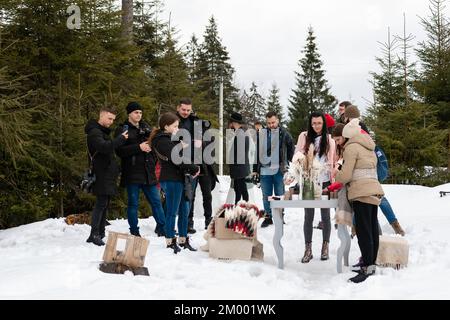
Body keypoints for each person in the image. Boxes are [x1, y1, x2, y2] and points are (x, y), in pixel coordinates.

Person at [335, 119, 385, 283]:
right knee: (371, 229)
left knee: (363, 232)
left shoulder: (351, 148)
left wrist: (337, 172)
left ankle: (367, 268)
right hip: (373, 189)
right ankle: (372, 264)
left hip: (360, 192)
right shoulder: (369, 146)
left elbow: (347, 175)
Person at [343, 105, 405, 236]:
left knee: (366, 198)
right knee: (375, 197)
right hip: (370, 167)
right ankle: (394, 224)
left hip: (364, 169)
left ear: (348, 116)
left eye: (344, 114)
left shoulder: (354, 128)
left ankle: (365, 229)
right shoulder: (362, 126)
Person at [150, 112, 200, 253]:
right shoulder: (161, 140)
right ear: (166, 126)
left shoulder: (171, 138)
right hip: (171, 178)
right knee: (172, 211)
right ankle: (170, 240)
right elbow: (175, 158)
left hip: (180, 177)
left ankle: (183, 239)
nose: (178, 128)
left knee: (185, 209)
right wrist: (193, 167)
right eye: (175, 126)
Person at [115, 102, 166, 238]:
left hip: (148, 172)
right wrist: (139, 147)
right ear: (129, 114)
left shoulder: (146, 127)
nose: (138, 115)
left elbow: (155, 144)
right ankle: (134, 230)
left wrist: (151, 149)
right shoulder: (123, 129)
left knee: (156, 202)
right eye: (136, 112)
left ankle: (162, 227)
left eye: (140, 112)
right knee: (133, 204)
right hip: (132, 172)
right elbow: (119, 151)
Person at [295, 111, 336, 262]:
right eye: (314, 123)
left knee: (325, 216)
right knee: (308, 216)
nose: (316, 126)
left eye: (319, 123)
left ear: (324, 123)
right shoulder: (304, 137)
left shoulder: (329, 140)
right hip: (308, 181)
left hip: (324, 181)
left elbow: (332, 160)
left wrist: (333, 181)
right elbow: (297, 156)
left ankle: (325, 247)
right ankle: (308, 249)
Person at [85, 107, 128, 246]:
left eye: (113, 120)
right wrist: (120, 139)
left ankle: (100, 232)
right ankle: (94, 234)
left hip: (107, 173)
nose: (111, 122)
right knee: (101, 203)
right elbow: (104, 147)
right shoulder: (94, 132)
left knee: (105, 203)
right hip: (101, 172)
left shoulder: (101, 131)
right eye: (109, 118)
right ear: (101, 116)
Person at [176, 98, 218, 232]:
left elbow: (211, 139)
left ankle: (209, 220)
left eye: (188, 110)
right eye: (183, 109)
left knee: (207, 194)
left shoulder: (196, 121)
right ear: (178, 108)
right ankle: (189, 222)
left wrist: (201, 142)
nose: (186, 112)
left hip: (203, 164)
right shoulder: (174, 122)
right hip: (188, 164)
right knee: (190, 195)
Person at [253, 111, 295, 228]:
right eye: (269, 123)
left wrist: (289, 162)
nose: (271, 125)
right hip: (264, 170)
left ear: (278, 121)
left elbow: (291, 147)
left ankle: (279, 216)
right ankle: (268, 217)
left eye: (273, 122)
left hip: (279, 169)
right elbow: (256, 153)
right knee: (266, 195)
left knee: (279, 193)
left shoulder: (285, 134)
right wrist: (255, 169)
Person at [228, 112, 250, 204]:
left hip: (239, 167)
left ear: (233, 123)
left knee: (242, 189)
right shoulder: (241, 133)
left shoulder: (240, 134)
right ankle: (237, 205)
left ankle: (245, 206)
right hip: (240, 167)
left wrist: (235, 166)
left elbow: (239, 153)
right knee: (238, 189)